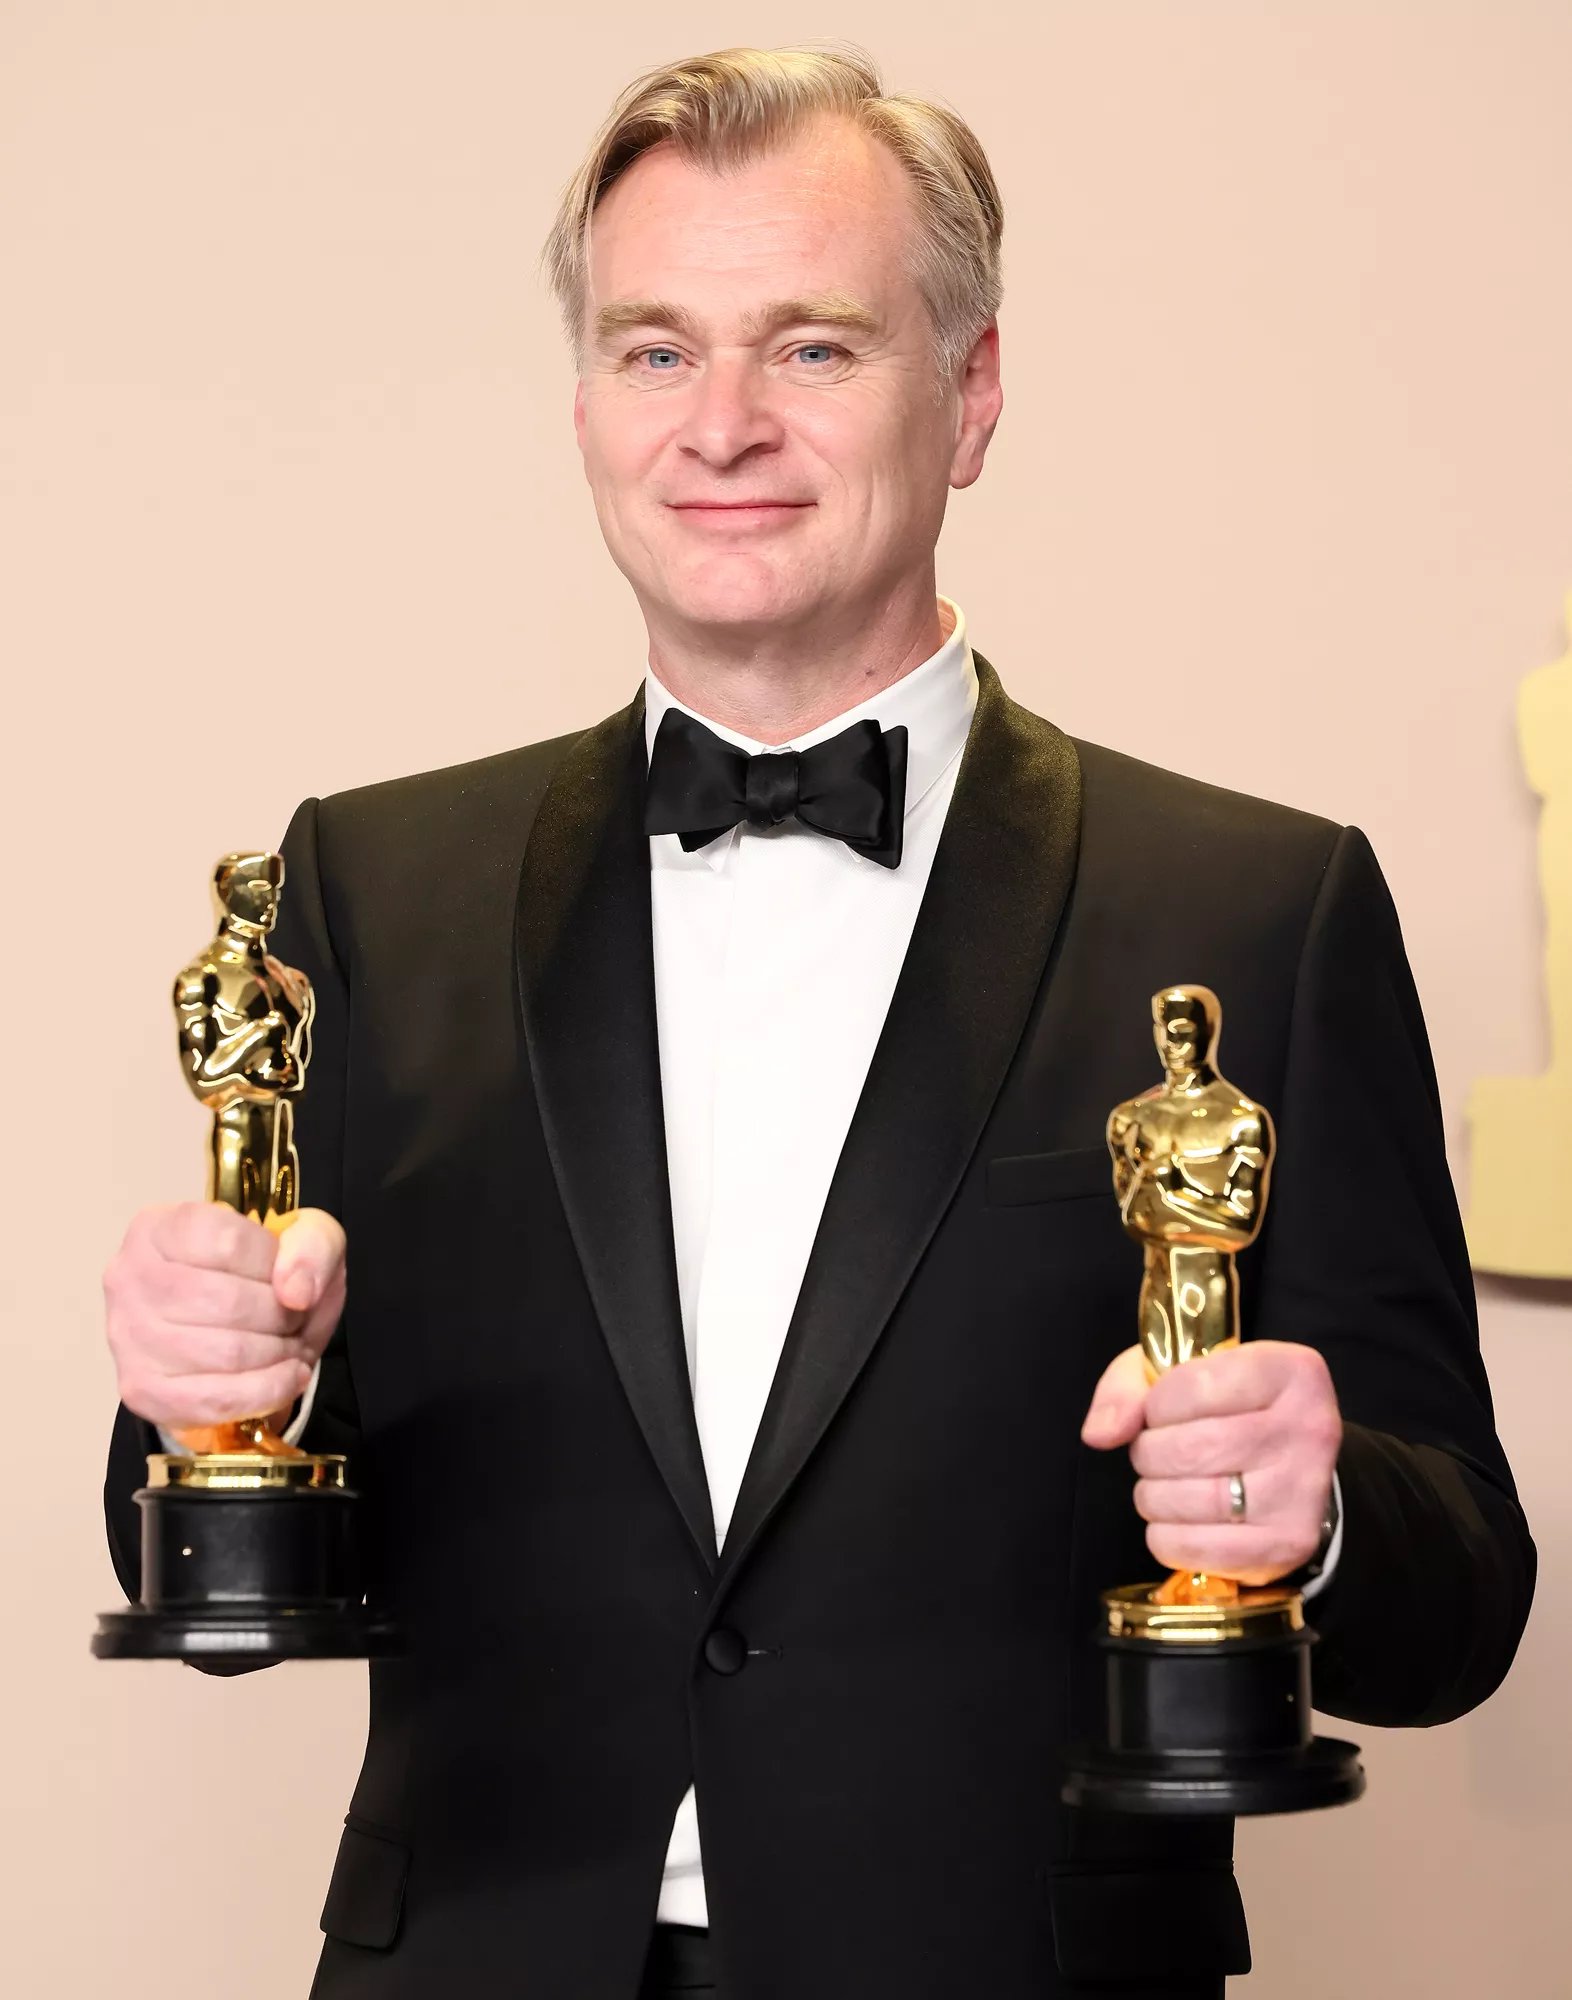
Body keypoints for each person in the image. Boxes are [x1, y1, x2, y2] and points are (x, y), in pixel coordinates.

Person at [101, 44, 1534, 2000]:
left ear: (974, 392)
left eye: (815, 347)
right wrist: (202, 1391)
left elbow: (1463, 1606)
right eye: (656, 350)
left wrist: (1327, 1510)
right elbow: (226, 1541)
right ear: (587, 404)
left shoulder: (1260, 910)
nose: (724, 425)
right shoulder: (364, 884)